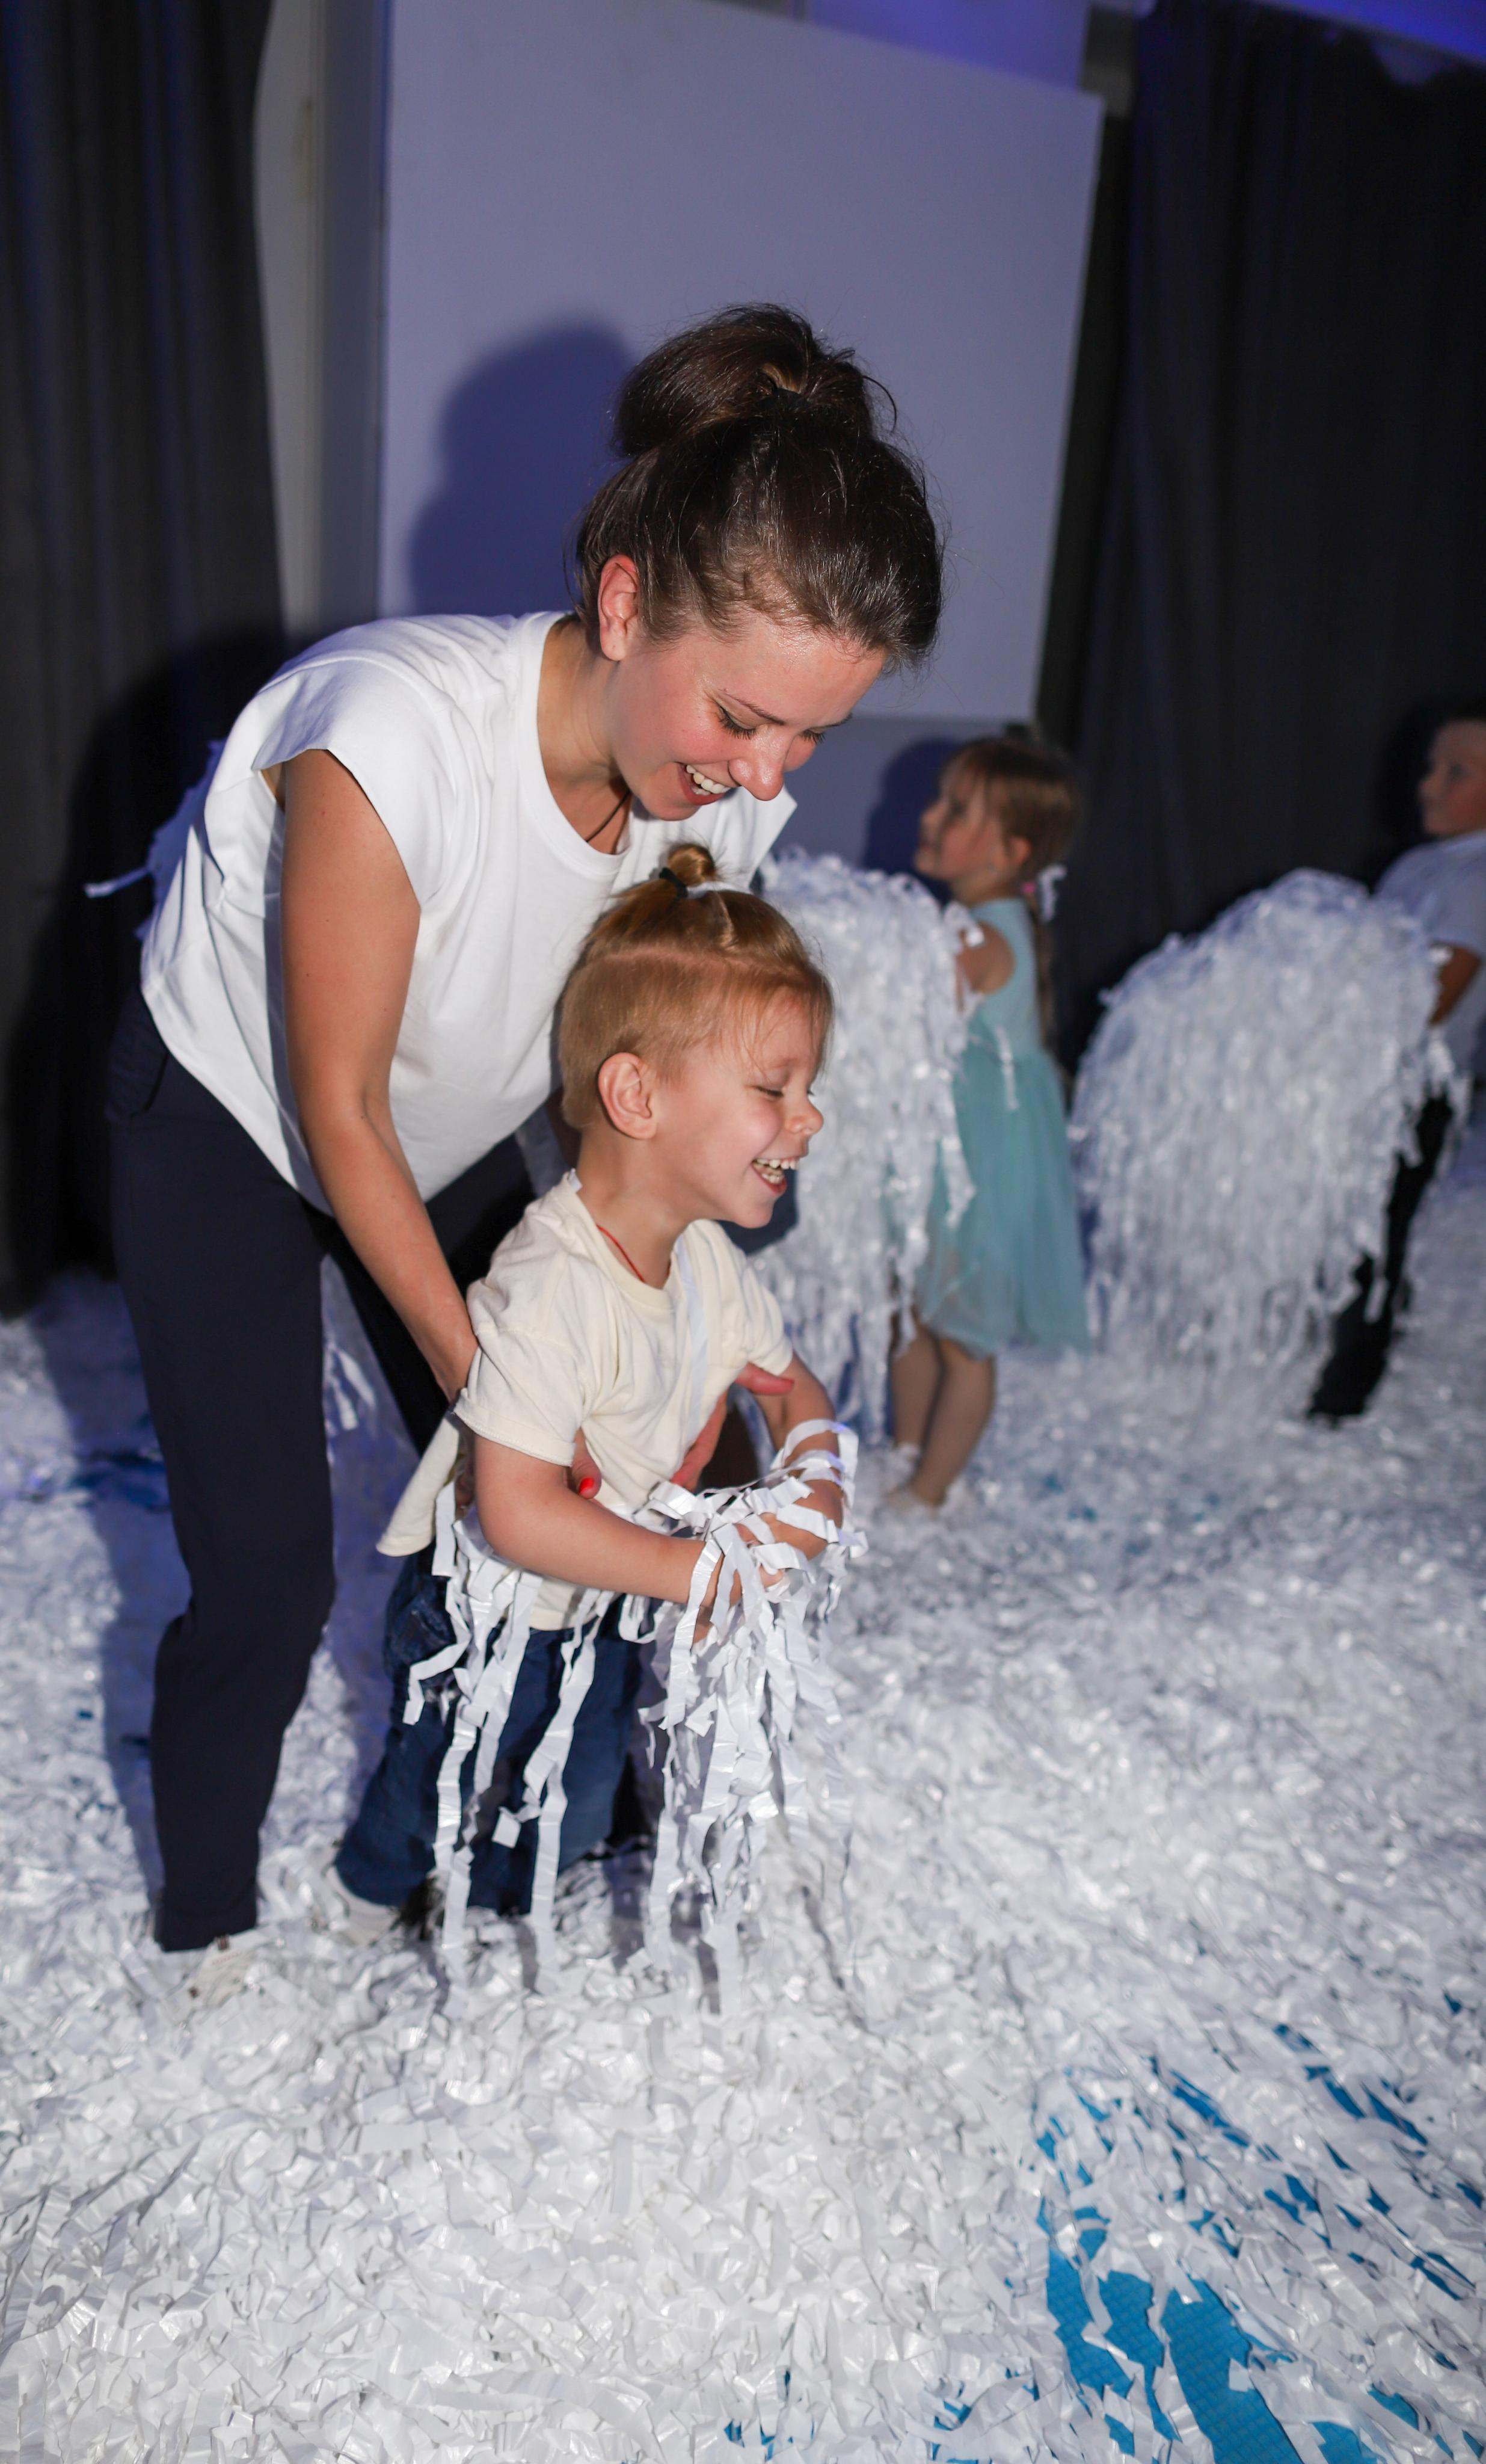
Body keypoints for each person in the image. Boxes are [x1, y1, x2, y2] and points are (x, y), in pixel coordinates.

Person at [107, 303, 942, 1974]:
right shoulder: (386, 736)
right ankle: (203, 1929)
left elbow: (646, 1081)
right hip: (237, 1116)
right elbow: (341, 1113)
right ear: (623, 605)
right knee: (268, 1574)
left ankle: (561, 1803)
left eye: (808, 737)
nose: (763, 775)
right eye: (741, 717)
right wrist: (497, 1381)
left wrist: (701, 1381)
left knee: (632, 1471)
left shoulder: (725, 800)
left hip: (459, 1112)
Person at [332, 843, 843, 1927]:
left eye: (808, 1090)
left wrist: (816, 1477)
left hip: (613, 1594)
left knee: (581, 1769)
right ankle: (369, 1893)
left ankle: (514, 1907)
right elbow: (517, 1513)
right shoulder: (550, 1284)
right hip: (487, 1608)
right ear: (635, 1094)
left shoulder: (708, 1262)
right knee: (436, 1773)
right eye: (774, 1089)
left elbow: (789, 1387)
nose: (808, 1119)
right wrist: (700, 1572)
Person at [887, 738, 1088, 1511]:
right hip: (956, 1145)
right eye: (938, 799)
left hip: (977, 1159)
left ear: (1011, 852)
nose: (929, 817)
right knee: (915, 1313)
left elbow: (906, 1010)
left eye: (956, 809)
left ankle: (929, 1490)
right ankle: (906, 1455)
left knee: (960, 1334)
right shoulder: (984, 919)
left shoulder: (976, 936)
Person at [1309, 703, 1486, 1421]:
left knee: (1378, 1227)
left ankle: (1349, 1384)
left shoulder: (1474, 881)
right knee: (1354, 1215)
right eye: (1430, 767)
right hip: (1372, 1079)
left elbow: (1430, 1000)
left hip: (1419, 1091)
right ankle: (1360, 1326)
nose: (1426, 786)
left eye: (1456, 772)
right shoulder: (1418, 866)